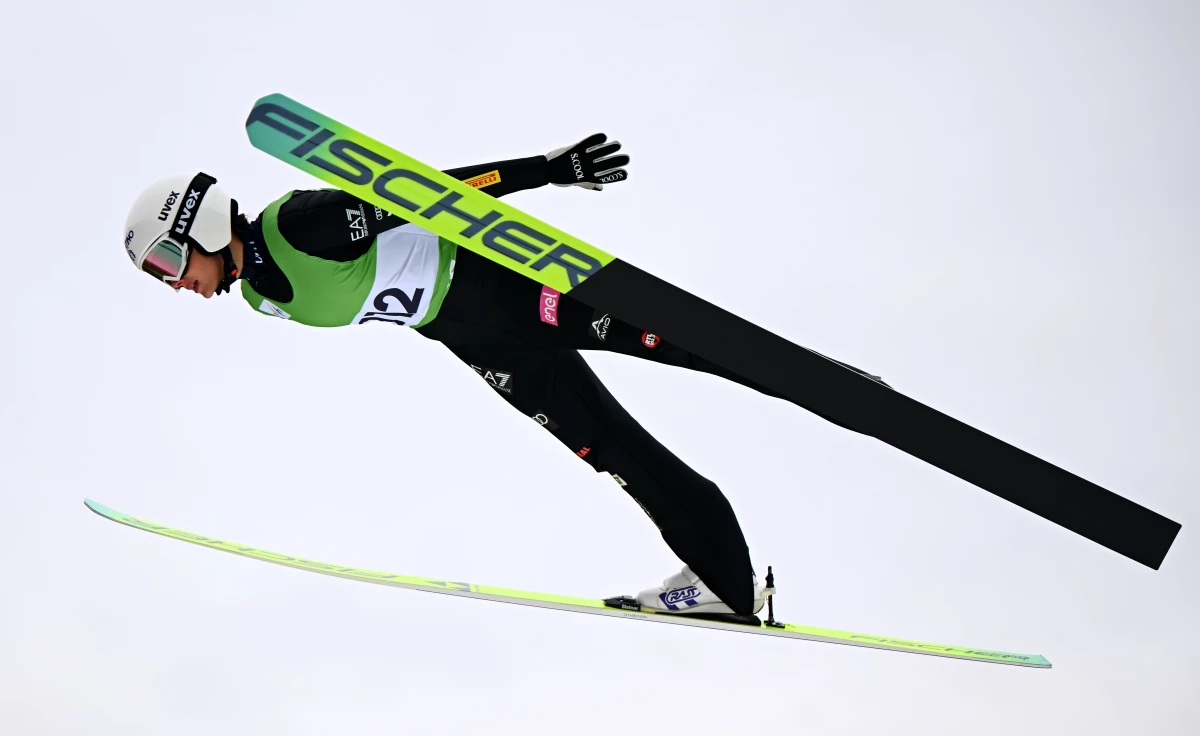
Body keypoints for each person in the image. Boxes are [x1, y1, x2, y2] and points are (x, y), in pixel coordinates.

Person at [123, 134, 795, 620]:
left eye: (167, 259)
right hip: (476, 342)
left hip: (500, 289)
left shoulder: (296, 226)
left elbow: (429, 195)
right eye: (159, 275)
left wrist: (549, 169)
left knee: (671, 341)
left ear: (198, 224)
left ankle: (812, 382)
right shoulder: (260, 295)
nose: (175, 281)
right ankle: (725, 582)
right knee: (610, 448)